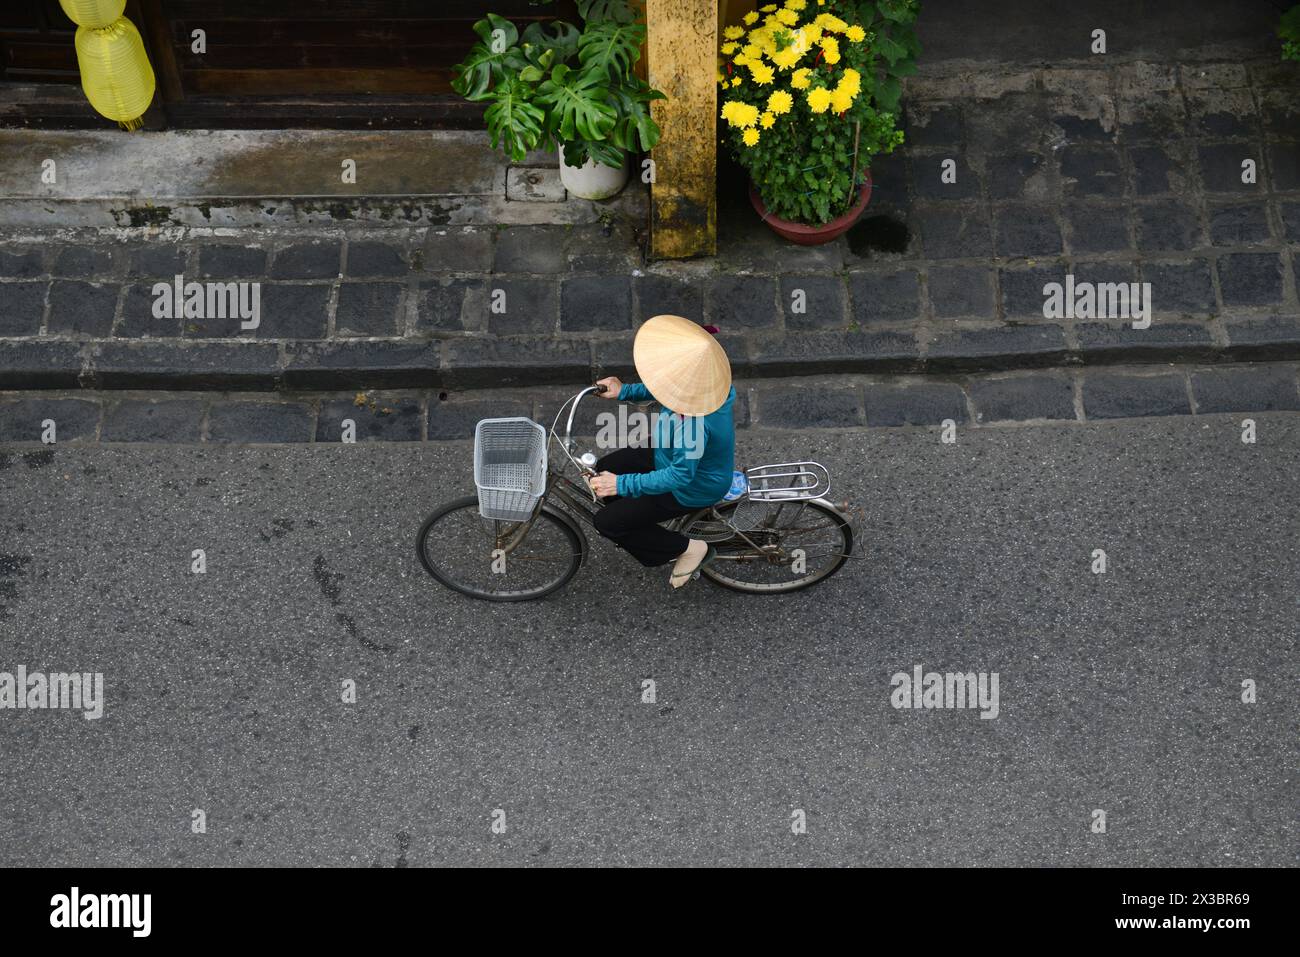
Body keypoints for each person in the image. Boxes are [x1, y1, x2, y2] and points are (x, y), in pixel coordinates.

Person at [589, 314, 736, 589]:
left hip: (690, 485)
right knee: (605, 467)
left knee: (607, 522)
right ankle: (638, 521)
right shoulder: (710, 384)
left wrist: (622, 484)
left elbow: (680, 476)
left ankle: (689, 548)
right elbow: (666, 387)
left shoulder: (693, 425)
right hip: (667, 449)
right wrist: (624, 391)